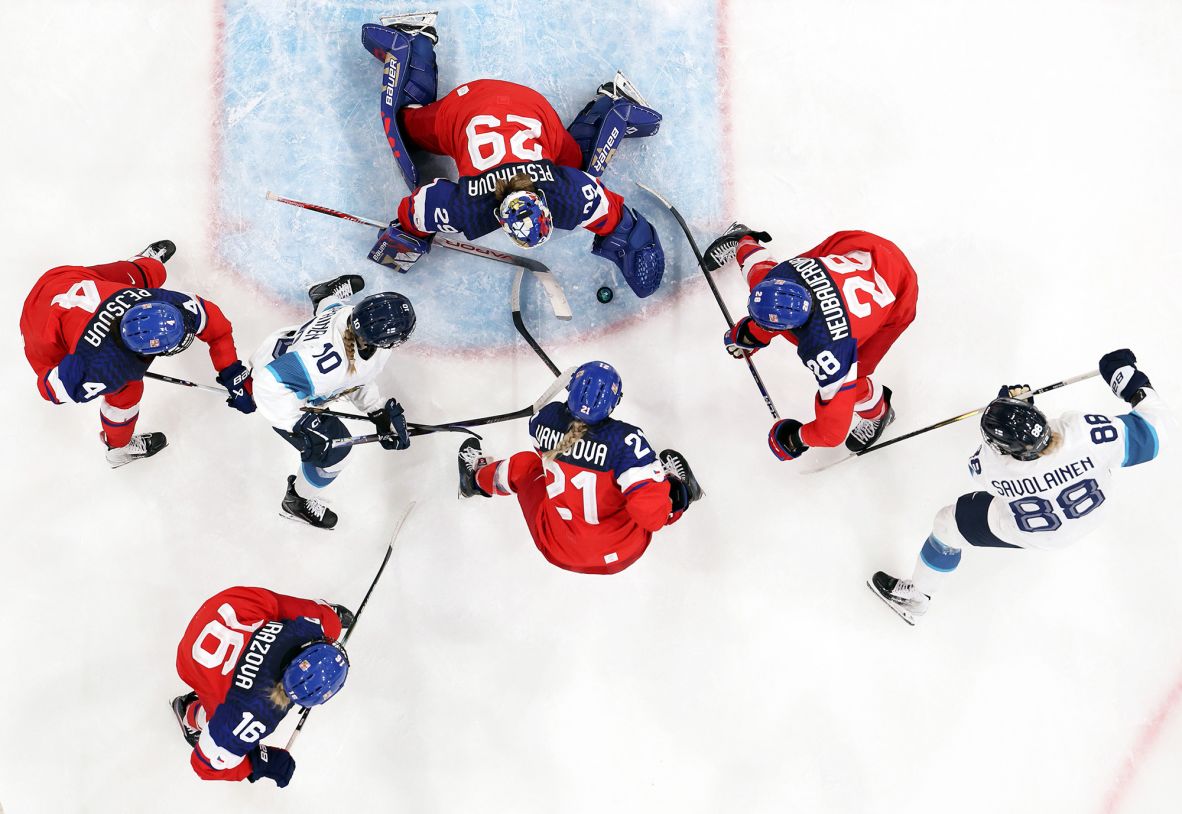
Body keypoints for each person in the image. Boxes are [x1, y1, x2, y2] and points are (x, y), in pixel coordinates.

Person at [358, 12, 667, 298]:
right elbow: (628, 229)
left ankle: (416, 41)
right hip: (519, 107)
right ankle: (611, 105)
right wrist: (407, 233)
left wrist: (407, 236)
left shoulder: (473, 208)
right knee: (578, 166)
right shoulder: (560, 196)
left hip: (479, 105)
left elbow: (418, 207)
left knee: (408, 125)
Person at [869, 349, 1172, 624]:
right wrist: (1129, 381)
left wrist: (1012, 404)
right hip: (1093, 515)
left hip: (1033, 532)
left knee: (948, 524)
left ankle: (919, 596)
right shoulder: (1086, 434)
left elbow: (981, 462)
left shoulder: (993, 468)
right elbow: (1155, 431)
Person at [19, 240, 255, 467]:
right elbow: (50, 390)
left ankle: (144, 261)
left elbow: (216, 324)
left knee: (144, 274)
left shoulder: (164, 301)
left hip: (61, 280)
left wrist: (232, 372)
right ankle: (118, 450)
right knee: (127, 393)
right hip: (38, 330)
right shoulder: (104, 368)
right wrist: (73, 368)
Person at [456, 361, 703, 574]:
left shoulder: (544, 418)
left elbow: (550, 450)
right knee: (653, 489)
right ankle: (685, 492)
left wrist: (574, 449)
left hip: (556, 546)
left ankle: (476, 480)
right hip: (622, 552)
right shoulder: (627, 441)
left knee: (526, 466)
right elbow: (650, 518)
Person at [706, 224, 919, 459]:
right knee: (767, 279)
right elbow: (759, 271)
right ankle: (742, 236)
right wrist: (743, 240)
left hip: (899, 287)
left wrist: (797, 437)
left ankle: (879, 413)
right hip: (865, 248)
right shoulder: (781, 277)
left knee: (856, 378)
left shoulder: (830, 350)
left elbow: (832, 432)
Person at [250, 275, 414, 530]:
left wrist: (377, 411)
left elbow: (355, 375)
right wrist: (300, 424)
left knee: (329, 305)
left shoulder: (349, 315)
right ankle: (296, 501)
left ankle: (323, 294)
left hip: (284, 349)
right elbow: (266, 385)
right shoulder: (328, 366)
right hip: (284, 389)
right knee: (335, 453)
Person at [171, 586, 353, 786]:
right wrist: (261, 763)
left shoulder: (311, 629)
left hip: (223, 609)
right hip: (194, 668)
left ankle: (326, 610)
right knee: (224, 722)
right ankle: (190, 712)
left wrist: (330, 618)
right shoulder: (260, 711)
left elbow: (286, 607)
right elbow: (204, 766)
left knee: (278, 605)